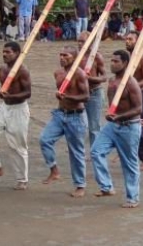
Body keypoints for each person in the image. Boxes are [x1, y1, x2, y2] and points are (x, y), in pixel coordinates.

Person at [91, 49, 143, 208]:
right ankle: (106, 187)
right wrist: (113, 116)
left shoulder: (131, 83)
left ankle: (133, 198)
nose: (112, 64)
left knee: (129, 163)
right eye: (111, 61)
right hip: (113, 126)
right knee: (96, 151)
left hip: (129, 127)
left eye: (116, 61)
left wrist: (120, 117)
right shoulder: (112, 81)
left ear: (125, 63)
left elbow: (138, 109)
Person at [0, 41, 31, 190]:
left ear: (16, 53)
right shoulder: (2, 68)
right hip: (3, 108)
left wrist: (10, 96)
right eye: (3, 52)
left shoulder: (23, 70)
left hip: (18, 109)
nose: (4, 54)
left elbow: (27, 93)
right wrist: (4, 95)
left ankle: (22, 180)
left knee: (17, 146)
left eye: (8, 52)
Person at [40, 46, 89, 197]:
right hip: (60, 114)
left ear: (73, 58)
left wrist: (67, 97)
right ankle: (54, 170)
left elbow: (86, 96)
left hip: (76, 116)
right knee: (44, 139)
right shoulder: (58, 73)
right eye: (60, 55)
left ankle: (80, 185)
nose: (62, 58)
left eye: (65, 56)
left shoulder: (79, 74)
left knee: (76, 152)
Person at [125, 31, 143, 171]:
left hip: (141, 96)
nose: (127, 41)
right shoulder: (126, 58)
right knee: (127, 125)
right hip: (126, 96)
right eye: (126, 39)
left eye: (130, 39)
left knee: (142, 127)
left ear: (138, 41)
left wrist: (133, 87)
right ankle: (131, 154)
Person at [78, 31, 106, 150]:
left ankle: (95, 151)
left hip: (95, 94)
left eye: (82, 41)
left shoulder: (96, 57)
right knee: (80, 124)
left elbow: (104, 77)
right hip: (80, 95)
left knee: (94, 126)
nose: (79, 44)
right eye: (78, 41)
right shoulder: (76, 56)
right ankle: (80, 150)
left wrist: (90, 78)